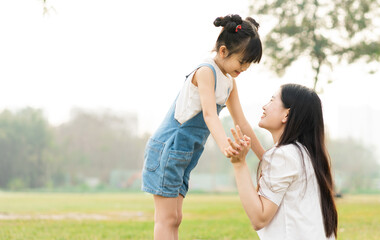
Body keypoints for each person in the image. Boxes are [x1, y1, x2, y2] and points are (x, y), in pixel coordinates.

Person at [141, 14, 265, 240]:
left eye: (249, 64)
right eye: (242, 61)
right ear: (224, 51)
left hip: (186, 153)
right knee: (167, 218)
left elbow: (242, 122)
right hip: (170, 148)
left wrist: (264, 157)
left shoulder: (229, 81)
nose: (244, 68)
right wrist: (225, 145)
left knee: (176, 218)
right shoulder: (206, 71)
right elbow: (209, 114)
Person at [226, 84, 338, 240]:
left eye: (272, 101)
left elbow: (259, 218)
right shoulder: (306, 154)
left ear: (287, 114)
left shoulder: (283, 156)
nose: (264, 106)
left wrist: (239, 164)